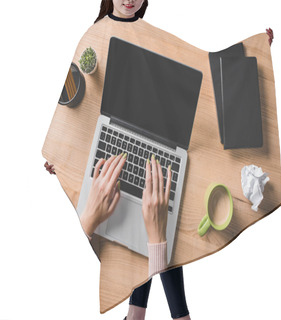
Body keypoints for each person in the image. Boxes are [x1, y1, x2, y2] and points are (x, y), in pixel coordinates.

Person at [44, 1, 191, 319]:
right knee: (158, 219)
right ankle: (155, 313)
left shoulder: (144, 35)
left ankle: (137, 313)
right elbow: (76, 106)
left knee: (155, 218)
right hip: (112, 141)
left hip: (137, 136)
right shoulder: (95, 36)